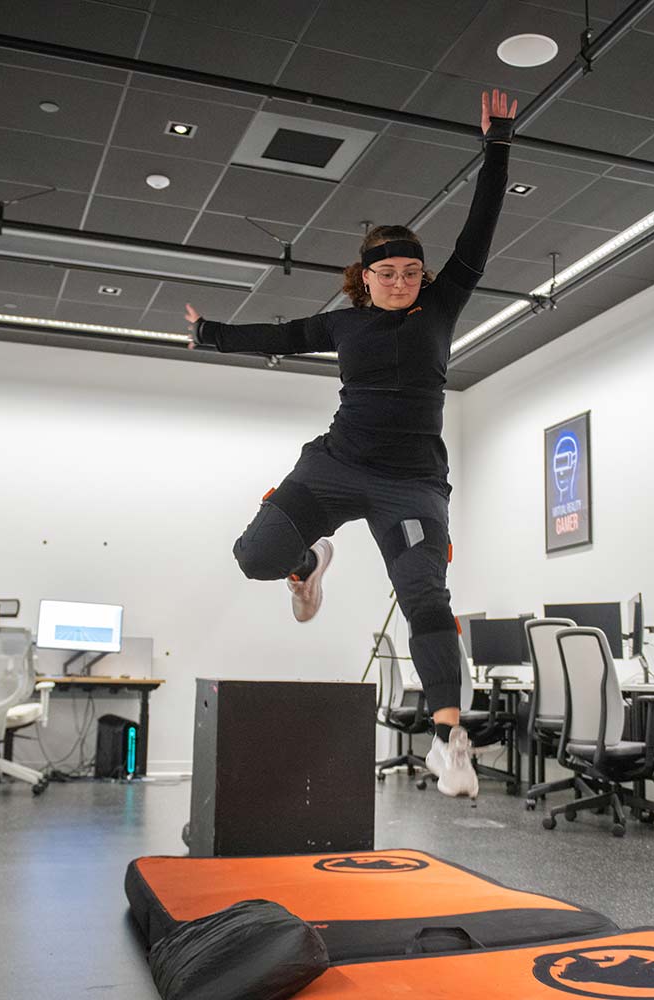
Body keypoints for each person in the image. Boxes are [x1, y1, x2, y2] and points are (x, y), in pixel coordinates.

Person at [184, 90, 518, 799]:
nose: (398, 282)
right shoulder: (342, 324)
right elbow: (279, 336)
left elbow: (479, 234)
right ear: (364, 280)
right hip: (334, 468)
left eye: (408, 272)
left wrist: (497, 145)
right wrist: (213, 332)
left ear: (421, 277)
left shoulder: (444, 304)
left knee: (425, 596)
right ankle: (310, 560)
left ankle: (448, 740)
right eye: (385, 273)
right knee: (256, 558)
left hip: (410, 486)